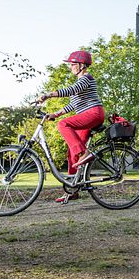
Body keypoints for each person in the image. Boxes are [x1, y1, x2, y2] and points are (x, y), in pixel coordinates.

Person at [37, 50, 104, 202]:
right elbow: (73, 104)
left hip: (93, 113)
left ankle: (84, 154)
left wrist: (49, 94)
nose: (70, 67)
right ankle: (72, 190)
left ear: (82, 65)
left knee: (64, 125)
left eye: (73, 64)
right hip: (86, 116)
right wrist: (55, 114)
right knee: (72, 152)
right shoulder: (80, 83)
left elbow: (71, 91)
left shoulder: (86, 78)